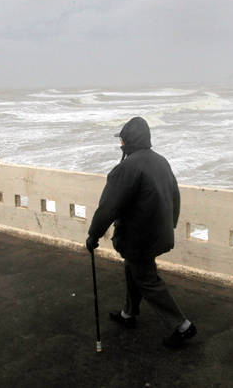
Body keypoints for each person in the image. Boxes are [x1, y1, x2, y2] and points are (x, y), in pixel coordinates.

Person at [85, 116, 196, 348]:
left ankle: (182, 326)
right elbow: (175, 196)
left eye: (122, 140)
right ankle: (128, 314)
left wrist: (93, 235)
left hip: (139, 237)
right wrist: (170, 225)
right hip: (158, 233)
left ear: (127, 142)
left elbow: (108, 207)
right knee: (133, 269)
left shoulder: (127, 168)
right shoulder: (161, 161)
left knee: (146, 279)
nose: (121, 144)